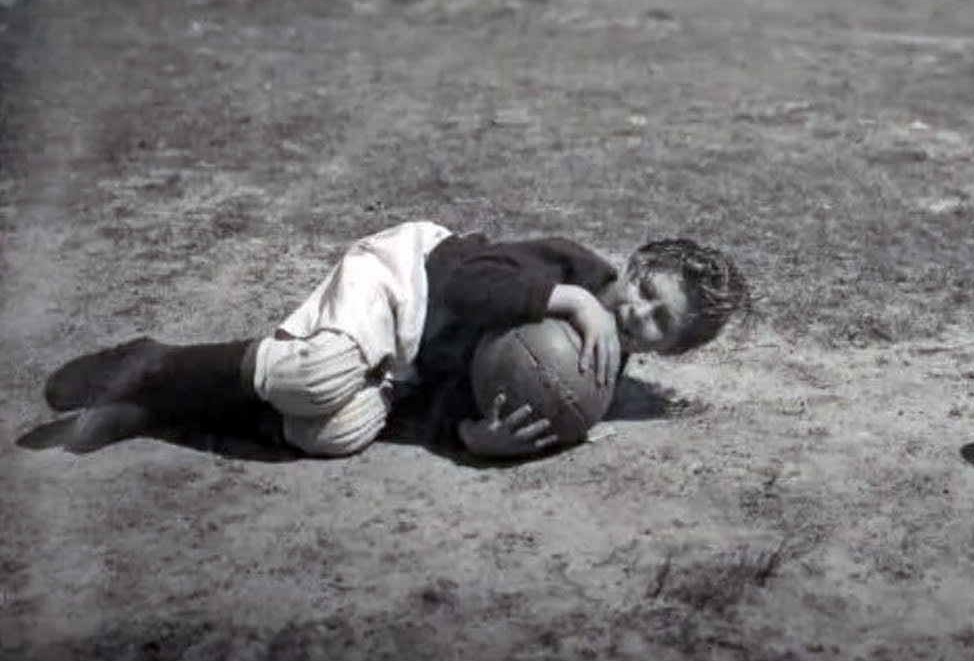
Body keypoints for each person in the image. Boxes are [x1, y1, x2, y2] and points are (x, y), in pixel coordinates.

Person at [43, 221, 749, 460]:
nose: (639, 316)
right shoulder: (567, 267)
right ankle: (154, 364)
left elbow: (465, 393)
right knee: (316, 372)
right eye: (646, 293)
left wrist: (478, 439)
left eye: (661, 325)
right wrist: (567, 300)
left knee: (334, 433)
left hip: (406, 364)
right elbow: (467, 283)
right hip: (407, 279)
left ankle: (155, 414)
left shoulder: (592, 382)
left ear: (669, 352)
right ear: (634, 266)